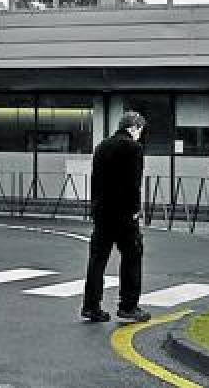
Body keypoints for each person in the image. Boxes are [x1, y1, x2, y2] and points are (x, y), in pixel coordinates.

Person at [81, 111, 150, 323]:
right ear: (133, 127)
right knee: (132, 256)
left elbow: (95, 181)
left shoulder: (102, 147)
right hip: (123, 214)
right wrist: (135, 210)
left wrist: (95, 207)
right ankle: (128, 306)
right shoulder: (134, 148)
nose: (140, 134)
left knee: (97, 260)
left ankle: (91, 305)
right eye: (140, 130)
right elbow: (133, 184)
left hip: (103, 212)